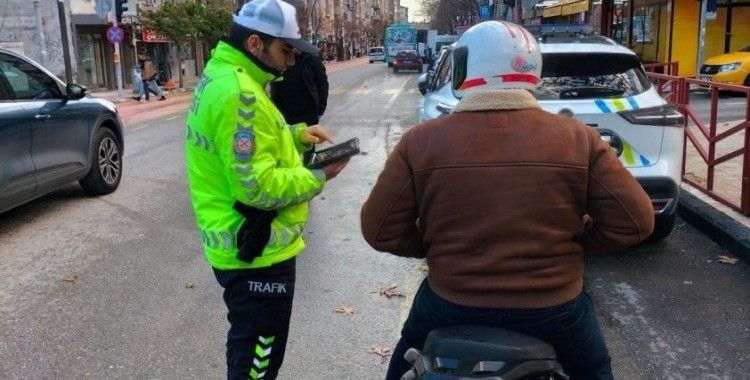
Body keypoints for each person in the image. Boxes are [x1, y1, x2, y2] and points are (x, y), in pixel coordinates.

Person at [360, 21, 655, 380]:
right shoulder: (579, 139)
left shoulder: (420, 142)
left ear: (465, 67)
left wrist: (435, 247)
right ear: (534, 71)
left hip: (451, 302)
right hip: (555, 306)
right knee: (593, 370)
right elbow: (637, 221)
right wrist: (575, 242)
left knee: (403, 367)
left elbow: (379, 230)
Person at [185, 0, 349, 378]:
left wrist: (295, 136)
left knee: (248, 347)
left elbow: (248, 149)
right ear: (256, 44)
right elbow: (256, 188)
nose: (290, 61)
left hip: (246, 246)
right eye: (285, 50)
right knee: (258, 360)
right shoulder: (240, 95)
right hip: (257, 251)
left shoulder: (224, 74)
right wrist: (320, 174)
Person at [270, 51, 329, 165]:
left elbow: (322, 84)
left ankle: (308, 171)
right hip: (284, 113)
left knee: (308, 150)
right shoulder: (280, 56)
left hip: (308, 114)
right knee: (287, 147)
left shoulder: (311, 58)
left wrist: (320, 109)